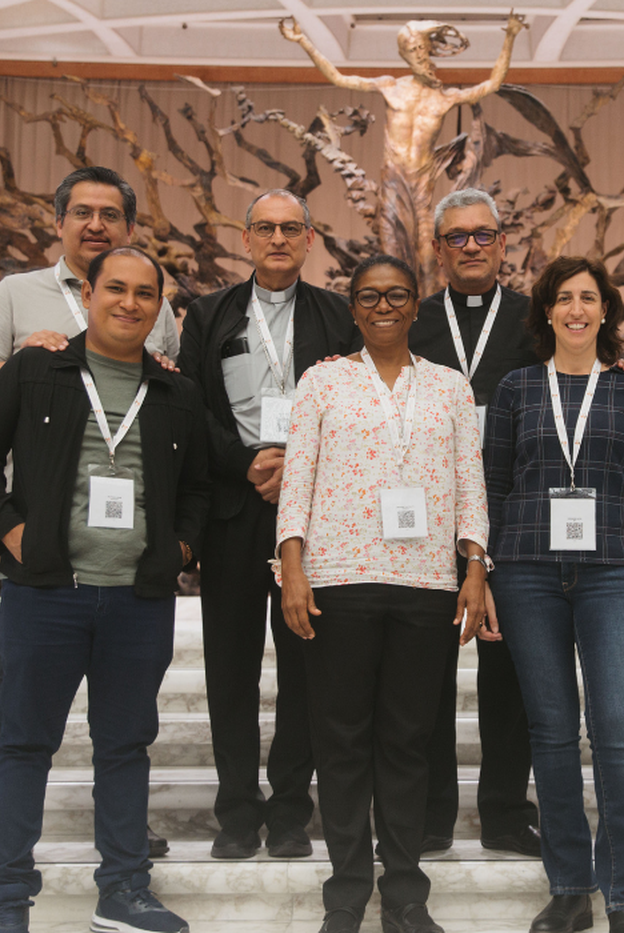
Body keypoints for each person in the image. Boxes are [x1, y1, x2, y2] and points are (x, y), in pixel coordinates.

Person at [0, 247, 210, 933]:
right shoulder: (37, 370)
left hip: (138, 598)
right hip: (46, 593)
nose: (129, 303)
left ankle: (123, 890)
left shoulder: (176, 393)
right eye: (116, 289)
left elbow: (197, 487)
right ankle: (8, 899)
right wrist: (8, 531)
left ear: (159, 306)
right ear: (89, 292)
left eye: (144, 293)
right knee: (22, 744)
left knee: (125, 745)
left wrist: (181, 546)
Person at [277, 254, 489, 933]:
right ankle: (344, 895)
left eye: (397, 294)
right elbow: (296, 483)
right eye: (369, 296)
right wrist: (293, 567)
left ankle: (404, 895)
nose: (384, 306)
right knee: (340, 744)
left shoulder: (451, 387)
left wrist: (476, 568)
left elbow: (469, 485)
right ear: (354, 308)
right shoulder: (322, 382)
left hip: (427, 584)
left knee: (407, 743)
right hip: (339, 581)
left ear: (416, 304)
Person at [484, 256, 624, 933]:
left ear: (605, 311)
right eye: (562, 298)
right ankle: (569, 886)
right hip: (528, 572)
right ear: (545, 311)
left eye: (587, 297)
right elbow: (495, 489)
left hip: (616, 574)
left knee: (617, 733)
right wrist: (484, 574)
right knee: (552, 733)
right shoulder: (515, 389)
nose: (575, 308)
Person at [177, 189, 356, 860]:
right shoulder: (208, 313)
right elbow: (193, 410)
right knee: (232, 667)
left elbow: (351, 405)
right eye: (265, 228)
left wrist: (297, 467)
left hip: (312, 517)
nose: (278, 238)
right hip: (232, 509)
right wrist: (249, 462)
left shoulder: (337, 316)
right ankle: (235, 811)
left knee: (305, 664)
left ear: (310, 240)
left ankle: (287, 809)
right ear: (245, 239)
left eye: (291, 228)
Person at [409, 187, 542, 856]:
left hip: (516, 513)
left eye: (482, 235)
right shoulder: (410, 319)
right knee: (427, 667)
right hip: (426, 513)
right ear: (437, 249)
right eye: (456, 236)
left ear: (502, 244)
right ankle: (430, 815)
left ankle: (505, 813)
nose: (470, 246)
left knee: (510, 667)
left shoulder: (534, 319)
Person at [0, 165, 179, 402]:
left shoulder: (151, 304)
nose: (95, 225)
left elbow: (175, 383)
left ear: (130, 231)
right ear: (59, 224)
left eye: (110, 215)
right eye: (82, 213)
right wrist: (26, 362)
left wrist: (161, 368)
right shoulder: (15, 290)